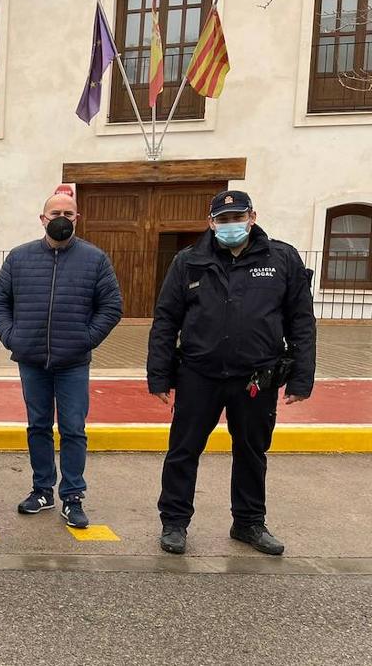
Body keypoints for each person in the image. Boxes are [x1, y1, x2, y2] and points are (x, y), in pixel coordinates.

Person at [148, 190, 316, 556]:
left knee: (252, 452)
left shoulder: (281, 258)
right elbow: (166, 319)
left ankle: (249, 522)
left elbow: (301, 321)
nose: (230, 225)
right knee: (183, 450)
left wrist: (302, 377)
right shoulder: (189, 260)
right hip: (198, 374)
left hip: (256, 378)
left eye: (237, 217)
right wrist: (159, 375)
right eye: (222, 220)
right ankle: (174, 522)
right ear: (211, 223)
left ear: (252, 217)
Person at [0, 192, 122, 529]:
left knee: (74, 429)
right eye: (54, 212)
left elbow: (112, 306)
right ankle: (42, 490)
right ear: (42, 218)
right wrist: (11, 336)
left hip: (73, 362)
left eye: (68, 212)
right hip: (31, 360)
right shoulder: (19, 259)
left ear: (77, 218)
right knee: (38, 426)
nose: (61, 217)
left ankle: (73, 496)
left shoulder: (95, 259)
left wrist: (85, 338)